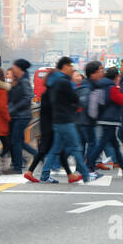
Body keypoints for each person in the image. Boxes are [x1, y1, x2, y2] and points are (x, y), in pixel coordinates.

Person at [39, 56, 92, 184]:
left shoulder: (54, 81)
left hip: (57, 119)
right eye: (71, 66)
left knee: (56, 148)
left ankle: (45, 174)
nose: (72, 69)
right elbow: (74, 98)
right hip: (66, 119)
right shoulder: (63, 81)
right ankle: (86, 175)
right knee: (76, 146)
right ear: (65, 66)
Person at [26, 57, 74, 182]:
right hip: (51, 124)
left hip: (47, 124)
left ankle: (33, 172)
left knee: (54, 150)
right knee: (48, 150)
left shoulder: (48, 91)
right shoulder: (53, 91)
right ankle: (33, 172)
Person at [87, 65, 123, 176]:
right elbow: (121, 100)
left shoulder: (104, 85)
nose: (120, 79)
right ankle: (89, 165)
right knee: (102, 144)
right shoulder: (110, 87)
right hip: (109, 119)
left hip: (106, 118)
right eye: (119, 77)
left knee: (115, 145)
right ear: (116, 77)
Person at [6, 59, 36, 175]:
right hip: (16, 116)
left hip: (22, 116)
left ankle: (18, 167)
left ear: (19, 69)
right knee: (18, 141)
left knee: (16, 141)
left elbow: (27, 97)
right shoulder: (19, 81)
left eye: (14, 67)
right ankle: (36, 155)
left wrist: (13, 109)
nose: (13, 69)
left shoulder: (24, 82)